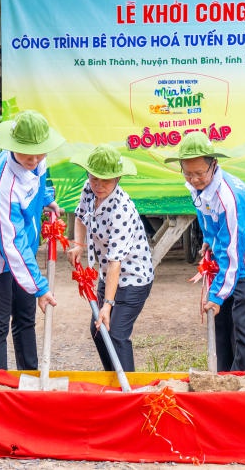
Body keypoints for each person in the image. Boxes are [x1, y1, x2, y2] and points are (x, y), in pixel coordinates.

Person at [165, 131, 245, 371]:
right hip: (227, 254)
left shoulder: (228, 197)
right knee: (221, 322)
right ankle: (223, 376)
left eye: (199, 173)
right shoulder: (199, 185)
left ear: (214, 165)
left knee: (242, 326)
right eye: (188, 173)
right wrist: (209, 239)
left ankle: (242, 382)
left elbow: (234, 254)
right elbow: (205, 215)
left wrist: (215, 295)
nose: (193, 180)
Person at [0, 110, 61, 371]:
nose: (34, 160)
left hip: (21, 248)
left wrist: (46, 200)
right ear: (13, 147)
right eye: (27, 154)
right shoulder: (3, 185)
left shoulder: (37, 159)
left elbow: (39, 182)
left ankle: (29, 378)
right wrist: (41, 288)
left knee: (25, 316)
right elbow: (12, 244)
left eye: (39, 153)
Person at [67, 145, 154, 372]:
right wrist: (78, 244)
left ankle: (128, 392)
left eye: (105, 180)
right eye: (94, 178)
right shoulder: (90, 189)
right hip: (108, 274)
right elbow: (79, 216)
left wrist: (107, 305)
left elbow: (116, 262)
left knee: (115, 333)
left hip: (133, 278)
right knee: (98, 331)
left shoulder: (121, 209)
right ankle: (115, 380)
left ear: (117, 178)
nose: (99, 185)